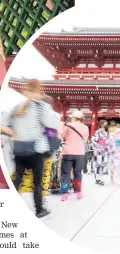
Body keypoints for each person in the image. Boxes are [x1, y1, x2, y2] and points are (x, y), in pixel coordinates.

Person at [1, 79, 60, 218]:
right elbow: (51, 123)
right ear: (38, 90)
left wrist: (13, 134)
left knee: (17, 179)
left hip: (20, 149)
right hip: (36, 149)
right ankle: (39, 210)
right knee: (37, 182)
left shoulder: (17, 107)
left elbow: (3, 124)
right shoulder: (41, 106)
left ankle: (7, 205)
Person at [60, 111, 89, 201]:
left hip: (67, 152)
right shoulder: (85, 127)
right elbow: (85, 139)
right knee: (78, 173)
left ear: (74, 118)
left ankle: (64, 194)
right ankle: (78, 192)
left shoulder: (68, 126)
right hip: (80, 153)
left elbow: (62, 135)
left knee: (65, 174)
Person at [91, 119, 109, 186]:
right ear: (101, 124)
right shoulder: (98, 132)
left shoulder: (106, 133)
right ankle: (98, 179)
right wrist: (96, 149)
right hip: (98, 150)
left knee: (104, 164)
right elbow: (93, 140)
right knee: (98, 164)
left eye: (106, 123)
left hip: (104, 151)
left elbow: (107, 141)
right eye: (105, 123)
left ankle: (100, 177)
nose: (106, 124)